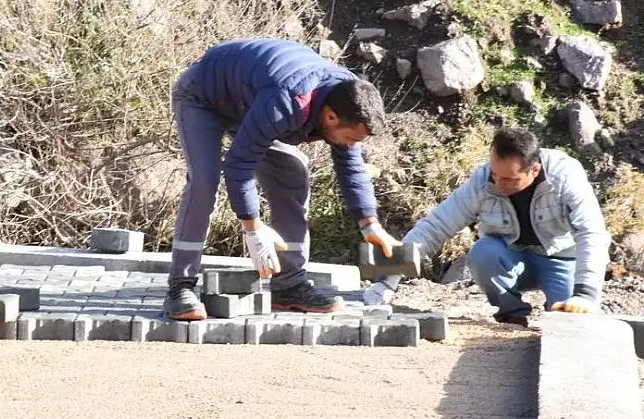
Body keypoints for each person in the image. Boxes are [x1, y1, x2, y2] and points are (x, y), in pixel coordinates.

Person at [163, 37, 401, 321]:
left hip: (252, 102)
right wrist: (253, 228)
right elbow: (239, 164)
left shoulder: (351, 98)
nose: (351, 144)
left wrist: (369, 224)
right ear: (331, 117)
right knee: (204, 181)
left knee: (292, 174)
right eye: (350, 138)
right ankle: (181, 286)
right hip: (203, 97)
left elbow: (351, 166)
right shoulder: (289, 100)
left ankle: (289, 285)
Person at [363, 127, 610, 325]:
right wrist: (386, 280)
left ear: (534, 170)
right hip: (509, 258)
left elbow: (592, 233)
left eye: (508, 179)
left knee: (569, 319)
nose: (498, 183)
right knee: (482, 252)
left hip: (559, 260)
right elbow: (435, 226)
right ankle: (512, 315)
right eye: (495, 174)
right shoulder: (483, 180)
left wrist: (585, 295)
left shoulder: (565, 176)